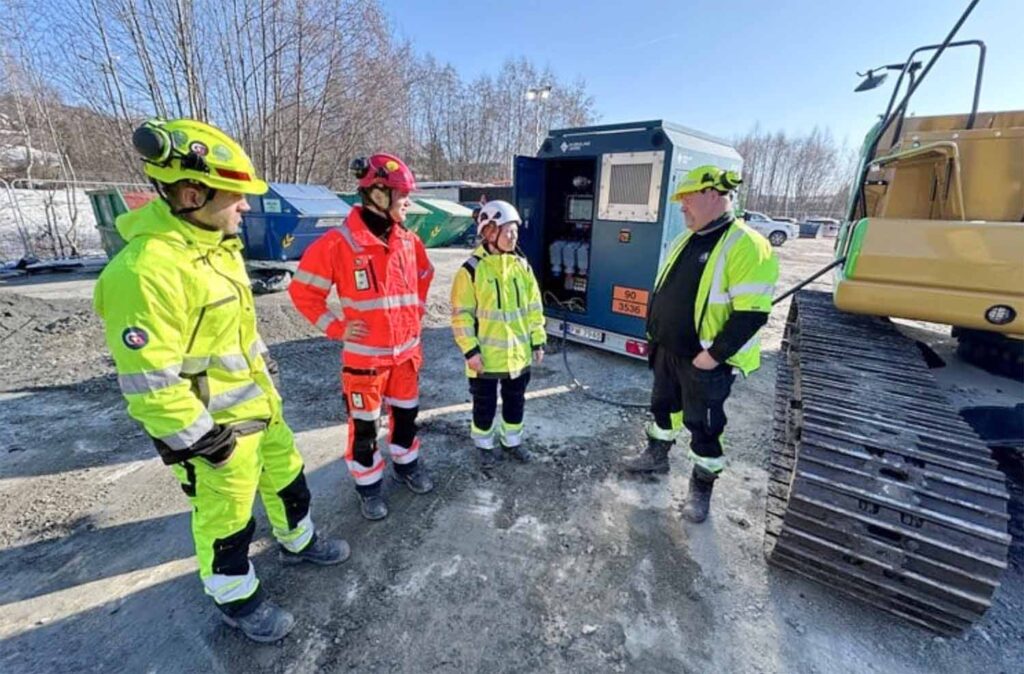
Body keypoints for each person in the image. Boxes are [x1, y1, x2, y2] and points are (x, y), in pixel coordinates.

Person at [94, 119, 349, 643]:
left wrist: (269, 381)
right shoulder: (144, 272)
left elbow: (236, 338)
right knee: (226, 522)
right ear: (192, 193)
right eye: (237, 196)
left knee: (291, 484)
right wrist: (208, 443)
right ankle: (237, 597)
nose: (247, 207)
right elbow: (150, 385)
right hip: (216, 436)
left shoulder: (216, 249)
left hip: (263, 413)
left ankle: (297, 541)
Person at [622, 165, 779, 523]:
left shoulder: (748, 245)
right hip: (666, 350)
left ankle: (700, 489)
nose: (681, 208)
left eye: (686, 198)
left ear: (713, 195)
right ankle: (657, 455)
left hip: (704, 360)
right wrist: (655, 336)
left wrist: (714, 356)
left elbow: (752, 314)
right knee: (662, 409)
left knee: (704, 426)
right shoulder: (686, 238)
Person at [288, 153, 434, 521]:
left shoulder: (409, 241)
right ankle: (368, 487)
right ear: (378, 194)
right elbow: (303, 292)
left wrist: (414, 314)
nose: (408, 202)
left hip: (406, 357)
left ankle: (407, 465)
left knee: (405, 418)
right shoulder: (339, 243)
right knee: (366, 428)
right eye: (402, 194)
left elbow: (424, 276)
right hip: (365, 362)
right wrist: (336, 327)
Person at [450, 200, 546, 468]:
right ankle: (484, 446)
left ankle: (512, 442)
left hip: (518, 356)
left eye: (515, 230)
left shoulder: (522, 267)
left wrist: (537, 340)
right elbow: (461, 316)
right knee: (485, 404)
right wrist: (470, 351)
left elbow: (534, 308)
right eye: (507, 231)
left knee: (516, 402)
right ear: (489, 232)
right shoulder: (470, 271)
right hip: (485, 359)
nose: (513, 236)